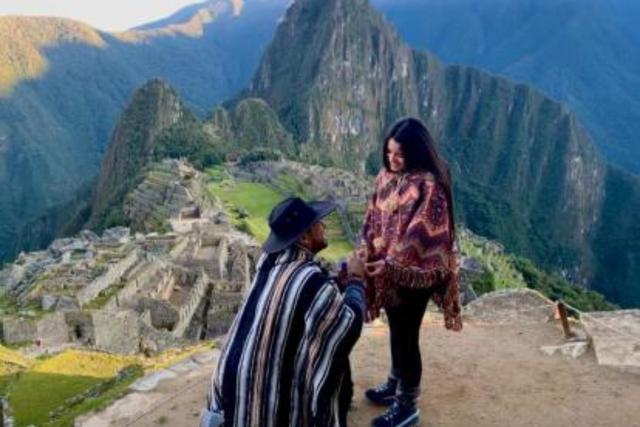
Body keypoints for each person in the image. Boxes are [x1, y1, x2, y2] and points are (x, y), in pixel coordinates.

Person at [201, 196, 367, 427]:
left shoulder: (268, 265)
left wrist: (341, 281)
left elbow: (309, 298)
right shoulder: (310, 281)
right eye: (319, 222)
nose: (325, 226)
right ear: (304, 237)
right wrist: (357, 280)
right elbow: (348, 326)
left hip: (233, 399)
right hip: (268, 408)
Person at [361, 117, 463, 427]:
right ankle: (394, 384)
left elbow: (422, 235)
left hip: (417, 273)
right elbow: (374, 217)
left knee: (407, 336)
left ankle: (408, 405)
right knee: (395, 329)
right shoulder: (386, 177)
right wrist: (368, 250)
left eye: (399, 155)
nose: (392, 159)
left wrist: (393, 264)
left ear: (416, 153)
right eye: (389, 152)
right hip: (387, 270)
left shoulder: (429, 186)